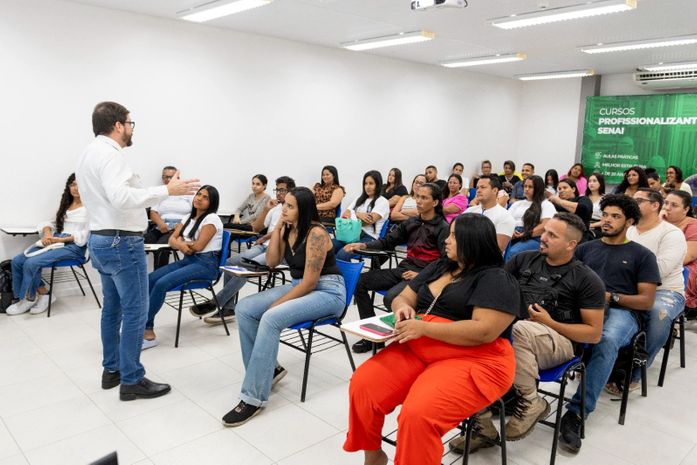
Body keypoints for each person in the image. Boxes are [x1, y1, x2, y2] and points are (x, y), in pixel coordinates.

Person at [343, 214, 524, 465]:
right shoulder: (441, 266)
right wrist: (402, 309)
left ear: (472, 241)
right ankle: (374, 455)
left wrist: (425, 329)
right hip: (421, 346)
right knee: (363, 386)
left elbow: (484, 331)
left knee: (418, 415)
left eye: (453, 236)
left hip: (474, 359)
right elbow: (402, 297)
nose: (446, 241)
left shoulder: (497, 279)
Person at [449, 213, 604, 454]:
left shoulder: (587, 279)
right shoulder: (522, 261)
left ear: (571, 244)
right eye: (545, 231)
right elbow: (493, 288)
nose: (543, 237)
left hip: (560, 343)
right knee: (472, 339)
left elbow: (593, 334)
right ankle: (482, 427)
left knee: (517, 329)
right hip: (512, 336)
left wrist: (550, 322)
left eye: (552, 235)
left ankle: (531, 400)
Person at [76, 101, 198, 400]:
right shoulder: (112, 155)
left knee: (113, 309)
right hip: (121, 242)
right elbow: (120, 197)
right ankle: (132, 379)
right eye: (130, 124)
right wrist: (166, 191)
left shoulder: (87, 154)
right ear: (118, 125)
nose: (131, 129)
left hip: (102, 239)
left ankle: (112, 370)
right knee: (136, 311)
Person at [222, 187, 346, 426]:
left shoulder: (317, 233)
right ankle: (270, 372)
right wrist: (278, 227)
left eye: (290, 206)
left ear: (304, 209)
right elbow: (271, 261)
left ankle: (253, 397)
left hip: (329, 291)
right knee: (245, 309)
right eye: (284, 205)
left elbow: (311, 283)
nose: (284, 209)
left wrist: (276, 306)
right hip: (300, 285)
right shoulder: (288, 228)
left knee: (271, 317)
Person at [559, 194, 659, 453]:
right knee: (538, 324)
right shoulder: (585, 249)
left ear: (630, 222)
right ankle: (521, 395)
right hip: (582, 306)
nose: (607, 220)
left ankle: (577, 412)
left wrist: (610, 296)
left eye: (615, 217)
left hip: (621, 311)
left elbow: (647, 301)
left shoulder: (642, 255)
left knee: (606, 339)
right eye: (605, 215)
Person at [344, 182, 448, 353]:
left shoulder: (443, 228)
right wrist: (363, 245)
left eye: (424, 198)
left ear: (435, 202)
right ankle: (372, 340)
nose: (418, 201)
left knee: (391, 299)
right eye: (418, 197)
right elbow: (388, 241)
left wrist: (421, 275)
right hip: (405, 269)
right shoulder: (412, 222)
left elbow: (445, 261)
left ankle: (403, 339)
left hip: (422, 274)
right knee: (360, 282)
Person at [189, 176, 296, 325]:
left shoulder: (294, 209)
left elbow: (288, 232)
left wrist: (268, 237)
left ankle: (216, 302)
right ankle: (228, 308)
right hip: (264, 245)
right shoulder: (275, 207)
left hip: (279, 250)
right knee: (230, 262)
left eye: (282, 190)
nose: (278, 193)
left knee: (247, 266)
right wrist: (266, 209)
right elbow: (256, 228)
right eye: (277, 189)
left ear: (291, 191)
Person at [613, 188, 687, 392]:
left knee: (656, 312)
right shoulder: (628, 229)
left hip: (666, 291)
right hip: (627, 286)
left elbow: (660, 270)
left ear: (655, 205)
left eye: (638, 200)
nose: (632, 203)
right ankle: (605, 361)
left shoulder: (671, 234)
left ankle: (636, 371)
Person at [143, 186, 224, 348]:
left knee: (161, 284)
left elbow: (198, 246)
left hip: (206, 264)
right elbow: (172, 240)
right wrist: (182, 244)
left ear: (212, 202)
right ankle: (143, 323)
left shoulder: (212, 219)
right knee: (150, 279)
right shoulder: (188, 217)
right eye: (199, 194)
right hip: (188, 260)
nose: (199, 198)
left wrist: (180, 243)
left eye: (205, 197)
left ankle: (146, 330)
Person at [7, 173, 89, 315]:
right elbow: (49, 223)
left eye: (80, 185)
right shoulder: (66, 205)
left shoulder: (91, 208)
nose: (76, 188)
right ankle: (44, 294)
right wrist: (47, 233)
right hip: (56, 241)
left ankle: (28, 298)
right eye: (73, 184)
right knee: (17, 261)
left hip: (75, 247)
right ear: (69, 186)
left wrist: (61, 240)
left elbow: (86, 235)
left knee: (31, 263)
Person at [332, 170, 390, 261]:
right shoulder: (359, 199)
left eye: (371, 183)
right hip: (351, 234)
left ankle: (343, 275)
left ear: (378, 185)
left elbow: (368, 221)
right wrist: (358, 214)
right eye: (365, 183)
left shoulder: (382, 202)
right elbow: (345, 215)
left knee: (343, 254)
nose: (367, 187)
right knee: (328, 247)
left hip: (368, 238)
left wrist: (353, 214)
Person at [144, 165, 194, 269]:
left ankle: (157, 279)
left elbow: (196, 212)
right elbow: (153, 212)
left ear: (178, 178)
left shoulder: (188, 193)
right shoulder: (160, 193)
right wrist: (160, 223)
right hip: (161, 226)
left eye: (171, 177)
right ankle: (139, 277)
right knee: (138, 243)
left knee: (161, 248)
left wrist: (181, 225)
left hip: (179, 228)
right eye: (165, 177)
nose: (168, 180)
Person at [662, 190, 697, 318]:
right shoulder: (658, 221)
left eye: (674, 205)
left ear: (686, 209)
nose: (667, 208)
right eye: (665, 203)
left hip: (686, 265)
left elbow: (688, 257)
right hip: (662, 261)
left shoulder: (693, 226)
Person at [506, 175, 556, 259]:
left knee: (513, 252)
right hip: (512, 234)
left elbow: (545, 226)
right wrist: (511, 231)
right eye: (525, 186)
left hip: (533, 237)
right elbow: (506, 220)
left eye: (530, 187)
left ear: (538, 189)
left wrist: (524, 234)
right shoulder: (517, 204)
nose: (526, 189)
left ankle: (506, 272)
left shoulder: (546, 204)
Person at [464, 175, 515, 253]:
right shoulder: (469, 211)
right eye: (477, 188)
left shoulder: (505, 216)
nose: (478, 190)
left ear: (494, 190)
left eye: (483, 187)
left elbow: (498, 248)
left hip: (488, 262)